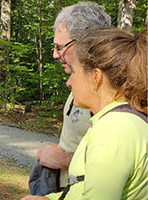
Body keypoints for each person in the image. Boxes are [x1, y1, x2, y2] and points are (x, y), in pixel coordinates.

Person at [23, 28, 147, 200]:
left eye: (74, 72)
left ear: (96, 76)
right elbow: (84, 189)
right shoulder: (115, 121)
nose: (68, 82)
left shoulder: (114, 130)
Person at [35, 1, 111, 190]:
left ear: (85, 43)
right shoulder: (80, 82)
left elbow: (117, 158)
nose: (54, 55)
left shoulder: (108, 89)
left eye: (59, 47)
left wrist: (65, 160)